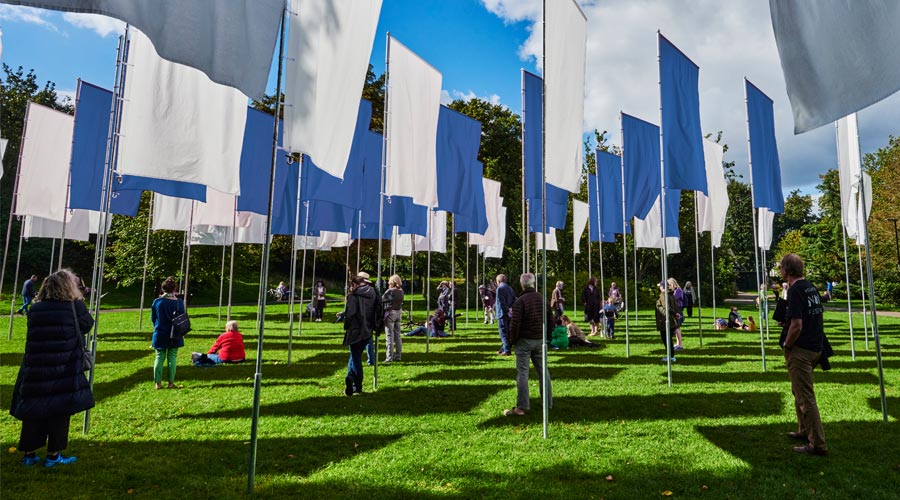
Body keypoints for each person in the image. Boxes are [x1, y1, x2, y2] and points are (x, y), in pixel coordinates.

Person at [10, 269, 94, 467]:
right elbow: (87, 324)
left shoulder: (36, 308)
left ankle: (29, 453)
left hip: (37, 363)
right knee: (59, 410)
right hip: (64, 364)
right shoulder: (74, 306)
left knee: (33, 409)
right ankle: (53, 455)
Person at [778, 253, 829, 456]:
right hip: (815, 346)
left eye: (781, 267)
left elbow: (797, 325)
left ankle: (817, 444)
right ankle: (803, 430)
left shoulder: (796, 290)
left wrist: (787, 345)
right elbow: (810, 316)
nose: (780, 270)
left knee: (806, 397)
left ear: (787, 270)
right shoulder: (810, 287)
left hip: (801, 349)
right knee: (797, 391)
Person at [503, 273, 553, 417]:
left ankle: (522, 407)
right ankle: (548, 403)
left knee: (523, 373)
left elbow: (515, 324)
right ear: (533, 283)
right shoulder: (543, 299)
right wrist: (548, 337)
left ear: (522, 284)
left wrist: (511, 341)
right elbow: (551, 320)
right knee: (544, 371)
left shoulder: (520, 301)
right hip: (540, 340)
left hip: (524, 341)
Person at [342, 272, 377, 396]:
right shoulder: (374, 294)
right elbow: (378, 311)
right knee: (354, 355)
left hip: (356, 330)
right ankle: (352, 379)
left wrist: (346, 325)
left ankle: (356, 384)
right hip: (368, 329)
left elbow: (350, 314)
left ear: (355, 284)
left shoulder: (354, 296)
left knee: (355, 357)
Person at [150, 277, 185, 389]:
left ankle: (158, 383)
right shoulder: (179, 303)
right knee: (172, 357)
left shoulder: (157, 301)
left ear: (163, 288)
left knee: (159, 357)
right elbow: (182, 318)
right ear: (175, 288)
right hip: (175, 333)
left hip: (160, 332)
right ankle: (171, 383)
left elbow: (153, 318)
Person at [382, 274, 404, 363]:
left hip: (390, 313)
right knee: (398, 336)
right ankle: (398, 355)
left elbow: (382, 300)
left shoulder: (390, 291)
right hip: (398, 312)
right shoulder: (401, 291)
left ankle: (389, 357)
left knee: (389, 336)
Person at [655, 281, 679, 362]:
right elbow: (675, 306)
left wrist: (675, 314)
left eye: (660, 286)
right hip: (671, 320)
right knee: (668, 339)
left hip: (666, 320)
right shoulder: (671, 294)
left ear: (662, 287)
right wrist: (676, 314)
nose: (659, 288)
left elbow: (667, 307)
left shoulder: (664, 295)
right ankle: (671, 355)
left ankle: (671, 356)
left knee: (666, 339)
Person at [495, 274, 516, 356]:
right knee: (507, 332)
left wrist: (506, 310)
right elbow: (514, 300)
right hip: (509, 313)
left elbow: (501, 301)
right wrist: (511, 309)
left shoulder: (499, 288)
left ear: (498, 281)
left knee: (503, 332)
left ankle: (507, 350)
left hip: (503, 313)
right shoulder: (510, 288)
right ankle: (503, 349)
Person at [669, 278, 685, 350]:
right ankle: (678, 344)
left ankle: (680, 345)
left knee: (677, 327)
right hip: (676, 309)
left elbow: (673, 298)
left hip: (678, 309)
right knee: (676, 327)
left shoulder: (678, 290)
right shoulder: (675, 290)